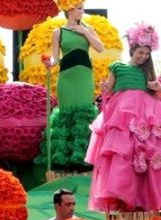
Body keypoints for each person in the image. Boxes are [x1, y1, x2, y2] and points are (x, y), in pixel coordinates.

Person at [85, 23, 161, 212]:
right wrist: (104, 88)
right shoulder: (117, 66)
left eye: (146, 54)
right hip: (122, 113)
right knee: (123, 153)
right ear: (132, 49)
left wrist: (159, 88)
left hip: (147, 112)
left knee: (150, 154)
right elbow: (108, 90)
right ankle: (125, 194)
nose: (143, 56)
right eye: (140, 52)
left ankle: (148, 196)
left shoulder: (147, 72)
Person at [35, 0, 104, 169]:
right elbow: (56, 58)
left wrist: (85, 33)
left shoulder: (88, 29)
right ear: (70, 10)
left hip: (84, 77)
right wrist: (49, 63)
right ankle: (63, 163)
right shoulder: (58, 32)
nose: (82, 12)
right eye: (80, 9)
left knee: (84, 112)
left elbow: (100, 48)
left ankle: (85, 160)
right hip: (66, 77)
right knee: (66, 115)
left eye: (82, 8)